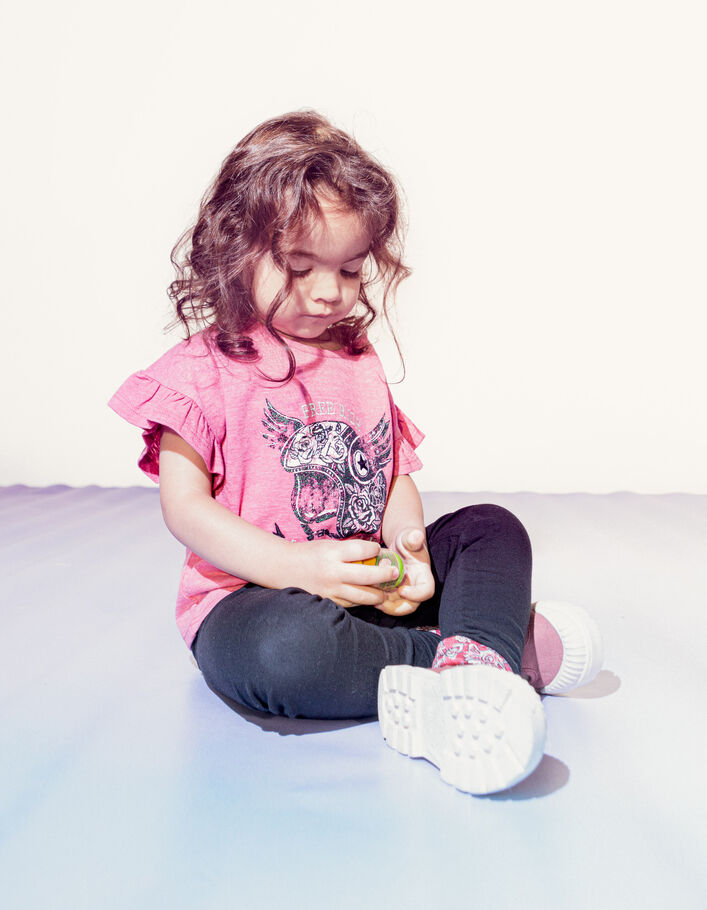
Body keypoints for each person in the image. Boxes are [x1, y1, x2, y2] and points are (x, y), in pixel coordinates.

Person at [109, 111, 603, 796]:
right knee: (287, 654)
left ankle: (469, 663)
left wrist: (409, 545)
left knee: (491, 528)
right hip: (254, 604)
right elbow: (185, 510)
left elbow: (391, 470)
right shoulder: (198, 372)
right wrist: (292, 566)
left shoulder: (355, 358)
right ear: (233, 248)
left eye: (348, 269)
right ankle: (483, 656)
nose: (327, 291)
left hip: (369, 591)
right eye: (298, 267)